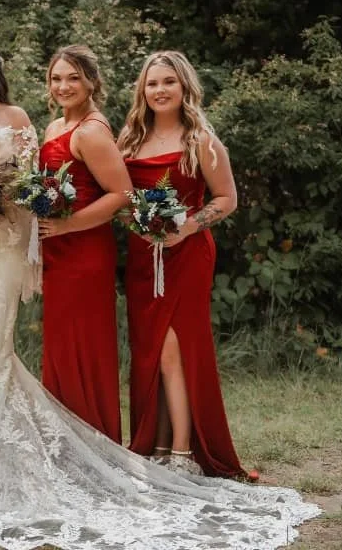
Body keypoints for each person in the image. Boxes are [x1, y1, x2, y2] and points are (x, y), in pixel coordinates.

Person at [0, 41, 319, 550]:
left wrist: (3, 212)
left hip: (4, 245)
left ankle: (129, 447)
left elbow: (28, 188)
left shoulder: (27, 119)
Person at [117, 50, 250, 479]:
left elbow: (227, 199)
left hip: (187, 252)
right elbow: (119, 198)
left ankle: (182, 453)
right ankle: (154, 444)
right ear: (143, 90)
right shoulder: (129, 140)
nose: (160, 90)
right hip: (144, 254)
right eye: (152, 83)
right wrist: (135, 223)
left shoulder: (201, 141)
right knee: (150, 350)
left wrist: (189, 226)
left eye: (168, 82)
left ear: (184, 87)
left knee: (174, 349)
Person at [37, 45, 132, 443]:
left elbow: (121, 194)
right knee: (61, 345)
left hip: (84, 253)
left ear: (92, 81)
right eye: (57, 78)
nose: (64, 86)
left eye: (74, 77)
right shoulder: (54, 127)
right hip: (57, 252)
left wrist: (68, 224)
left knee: (82, 345)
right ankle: (64, 441)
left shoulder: (91, 131)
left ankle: (92, 440)